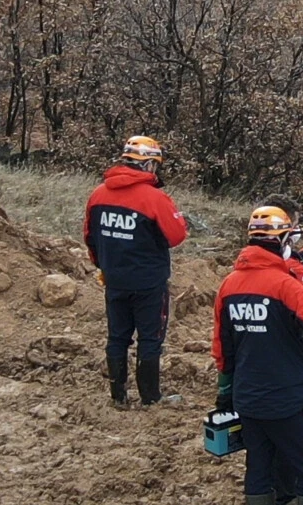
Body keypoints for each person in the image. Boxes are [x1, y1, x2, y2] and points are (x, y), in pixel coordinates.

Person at [213, 206, 303, 505]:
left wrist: (225, 392)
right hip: (290, 400)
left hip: (248, 399)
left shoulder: (229, 286)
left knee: (258, 468)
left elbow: (222, 347)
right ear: (282, 240)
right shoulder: (284, 286)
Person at [84, 136, 188, 407]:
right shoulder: (154, 198)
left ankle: (118, 397)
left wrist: (103, 265)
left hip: (115, 279)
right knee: (150, 338)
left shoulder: (98, 194)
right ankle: (150, 397)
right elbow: (177, 235)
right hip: (149, 282)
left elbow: (89, 236)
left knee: (117, 336)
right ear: (150, 165)